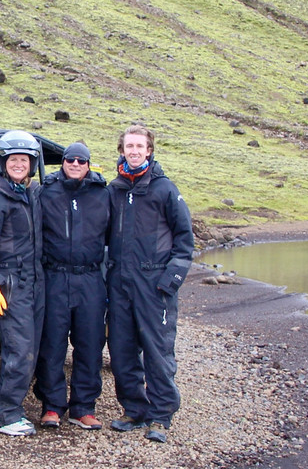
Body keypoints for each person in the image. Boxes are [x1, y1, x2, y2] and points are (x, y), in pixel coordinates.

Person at [106, 124, 194, 444]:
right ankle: (134, 410)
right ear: (122, 150)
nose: (134, 151)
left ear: (149, 150)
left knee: (158, 352)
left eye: (139, 146)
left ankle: (161, 414)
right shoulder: (114, 190)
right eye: (129, 146)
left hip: (153, 281)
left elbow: (185, 240)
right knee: (121, 350)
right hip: (120, 283)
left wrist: (170, 279)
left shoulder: (165, 189)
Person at [0, 130, 45, 437]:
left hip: (34, 282)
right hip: (10, 285)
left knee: (33, 349)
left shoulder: (28, 193)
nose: (19, 164)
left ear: (32, 164)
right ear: (2, 162)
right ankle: (6, 414)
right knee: (20, 351)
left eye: (24, 160)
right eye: (13, 159)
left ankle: (13, 408)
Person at [33, 141, 110, 430]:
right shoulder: (46, 192)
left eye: (81, 160)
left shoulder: (104, 195)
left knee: (90, 344)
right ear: (62, 162)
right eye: (70, 159)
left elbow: (116, 236)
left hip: (90, 278)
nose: (75, 164)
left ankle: (83, 408)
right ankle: (52, 406)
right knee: (51, 344)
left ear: (89, 165)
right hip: (54, 277)